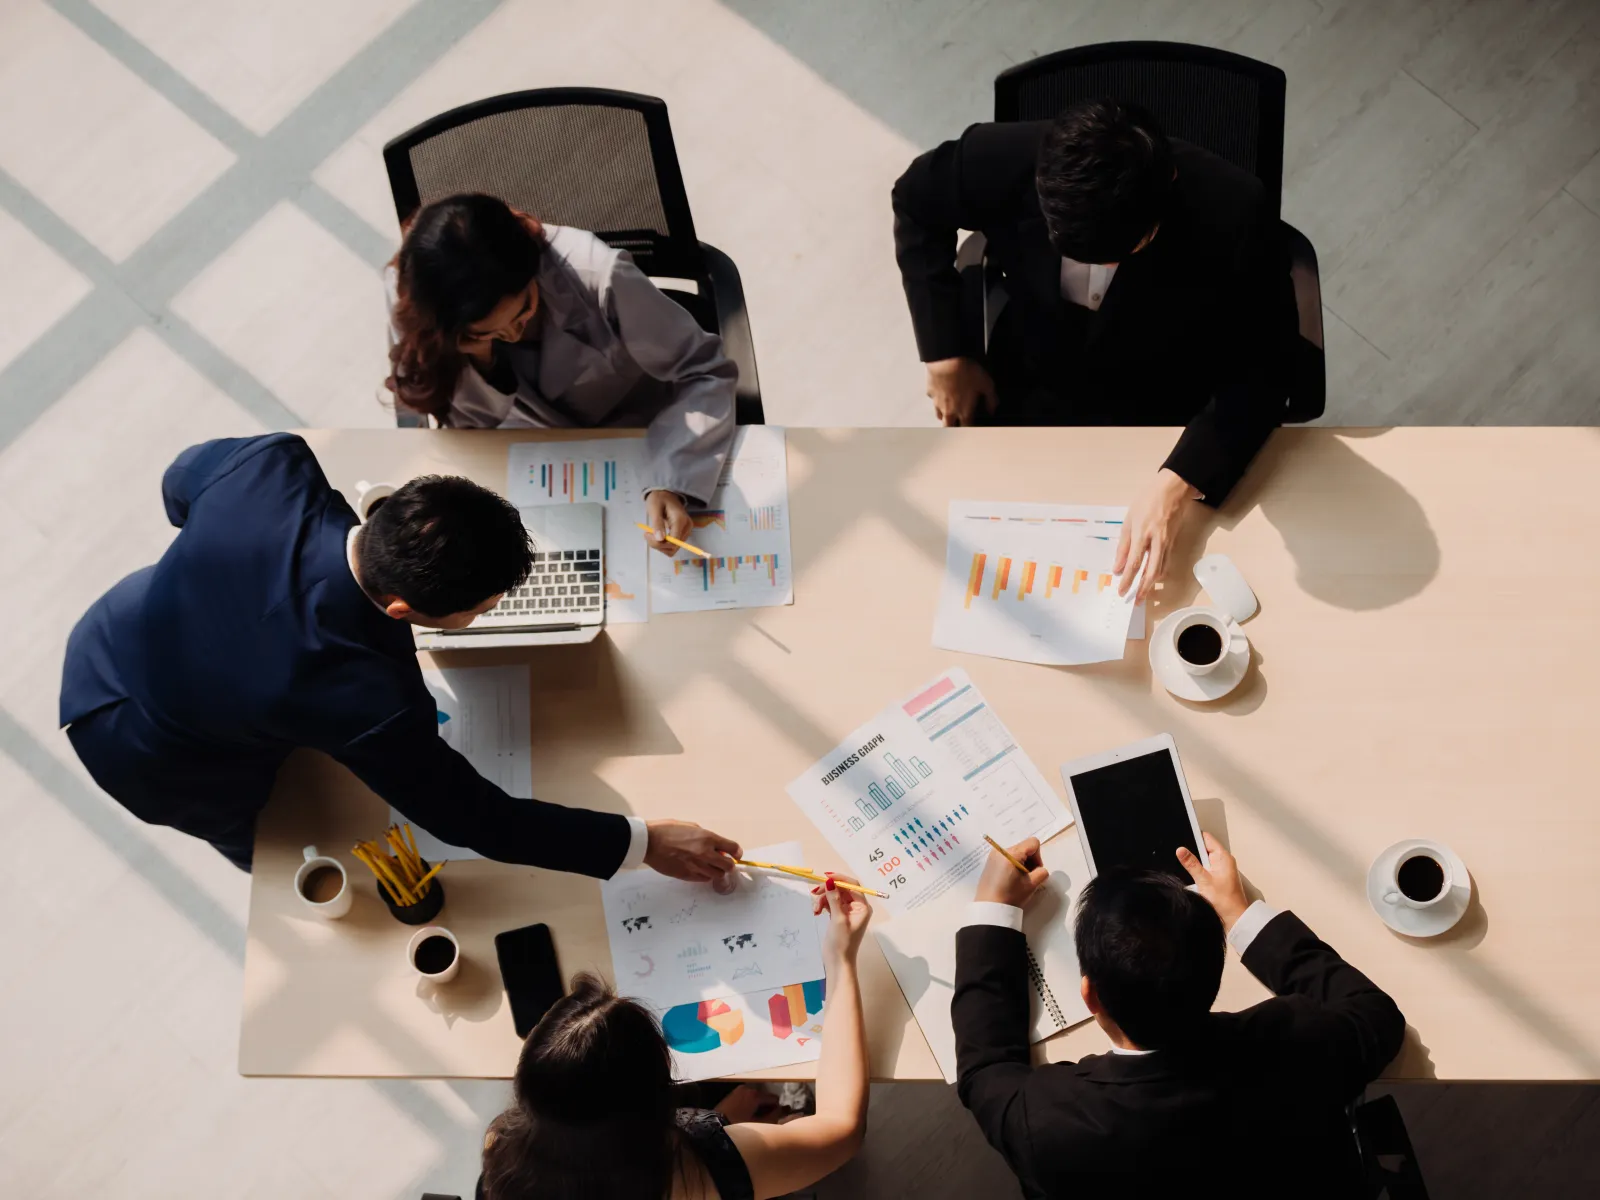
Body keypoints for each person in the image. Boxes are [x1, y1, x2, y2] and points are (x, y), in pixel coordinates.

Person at [59, 432, 739, 881]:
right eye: (484, 607)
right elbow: (477, 819)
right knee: (273, 847)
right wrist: (643, 842)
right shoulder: (369, 704)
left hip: (110, 632)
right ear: (401, 612)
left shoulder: (269, 467)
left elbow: (181, 483)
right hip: (153, 751)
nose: (489, 613)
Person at [892, 99, 1298, 600]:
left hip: (1166, 394)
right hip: (1033, 374)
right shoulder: (1000, 157)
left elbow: (1268, 364)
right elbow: (914, 201)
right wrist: (944, 352)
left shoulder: (1234, 209)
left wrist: (1178, 482)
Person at [954, 833, 1405, 1197]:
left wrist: (996, 907)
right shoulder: (1297, 1045)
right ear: (1214, 973)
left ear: (1091, 997)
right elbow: (1376, 1013)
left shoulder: (1046, 1121)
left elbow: (985, 1068)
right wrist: (1240, 913)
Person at [386, 193, 737, 558]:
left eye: (523, 311)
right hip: (528, 463)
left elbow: (704, 370)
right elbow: (468, 427)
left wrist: (671, 480)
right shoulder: (414, 305)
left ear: (533, 270)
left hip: (644, 435)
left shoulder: (597, 272)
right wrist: (482, 361)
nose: (512, 335)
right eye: (485, 332)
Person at [478, 875, 872, 1199]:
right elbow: (841, 1127)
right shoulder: (705, 1175)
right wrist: (841, 958)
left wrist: (720, 1119)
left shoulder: (500, 1146)